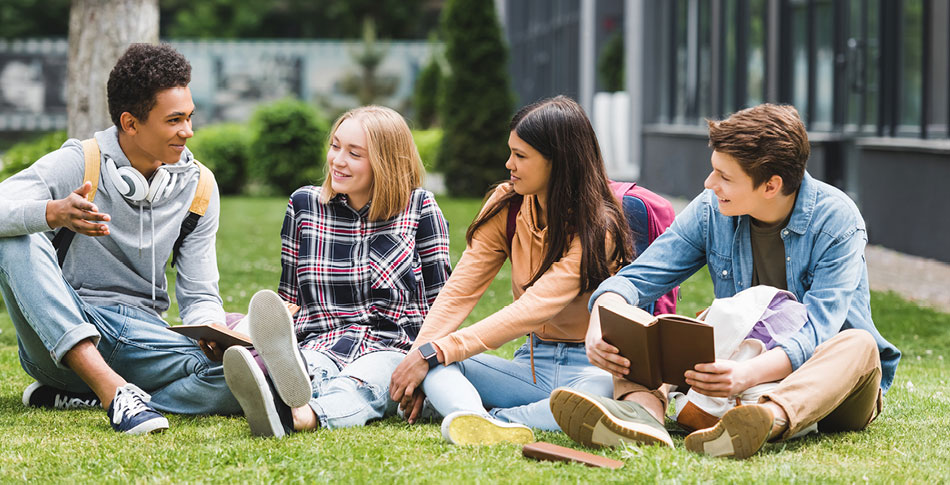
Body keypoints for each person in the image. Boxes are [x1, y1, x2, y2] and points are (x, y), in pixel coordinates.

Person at [550, 103, 901, 459]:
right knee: (642, 323)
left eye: (724, 176)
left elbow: (817, 330)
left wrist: (746, 375)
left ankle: (766, 419)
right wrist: (602, 317)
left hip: (826, 385)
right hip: (731, 371)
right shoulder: (710, 210)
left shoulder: (837, 220)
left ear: (771, 185)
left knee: (858, 344)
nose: (709, 183)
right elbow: (638, 279)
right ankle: (642, 417)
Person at [0, 43, 241, 434]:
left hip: (143, 341)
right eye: (174, 120)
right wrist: (51, 213)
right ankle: (113, 393)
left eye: (190, 117)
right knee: (15, 235)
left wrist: (211, 329)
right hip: (64, 336)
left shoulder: (200, 186)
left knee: (241, 373)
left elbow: (199, 296)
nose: (188, 132)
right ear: (130, 123)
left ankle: (103, 395)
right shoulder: (79, 162)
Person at [389, 95, 637, 445]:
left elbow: (534, 307)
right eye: (511, 152)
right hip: (530, 366)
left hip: (590, 367)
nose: (509, 164)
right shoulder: (508, 205)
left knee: (596, 398)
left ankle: (490, 420)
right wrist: (421, 355)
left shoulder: (601, 227)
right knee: (434, 367)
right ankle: (476, 418)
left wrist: (441, 349)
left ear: (559, 162)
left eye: (521, 156)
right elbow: (460, 290)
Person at [220, 105, 452, 438]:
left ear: (385, 162)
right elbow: (289, 300)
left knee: (360, 383)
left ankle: (302, 415)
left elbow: (442, 303)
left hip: (392, 346)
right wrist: (242, 333)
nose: (337, 160)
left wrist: (425, 366)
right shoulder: (304, 205)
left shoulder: (420, 207)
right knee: (310, 370)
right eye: (335, 146)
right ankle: (285, 388)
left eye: (354, 153)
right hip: (322, 339)